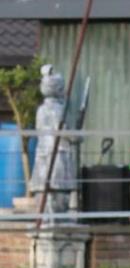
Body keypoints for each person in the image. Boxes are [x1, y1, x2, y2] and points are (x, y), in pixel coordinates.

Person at [29, 64, 76, 214]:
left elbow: (38, 130)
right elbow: (63, 131)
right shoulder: (58, 109)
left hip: (42, 155)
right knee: (58, 194)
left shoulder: (40, 110)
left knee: (43, 191)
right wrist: (77, 136)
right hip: (57, 156)